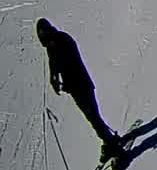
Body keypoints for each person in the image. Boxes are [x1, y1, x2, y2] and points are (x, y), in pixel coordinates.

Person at [37, 20, 125, 162]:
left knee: (93, 117)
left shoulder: (63, 39)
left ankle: (118, 152)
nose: (47, 44)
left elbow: (68, 62)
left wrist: (64, 81)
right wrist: (53, 77)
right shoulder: (52, 45)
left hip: (83, 85)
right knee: (92, 118)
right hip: (75, 89)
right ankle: (109, 141)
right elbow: (53, 62)